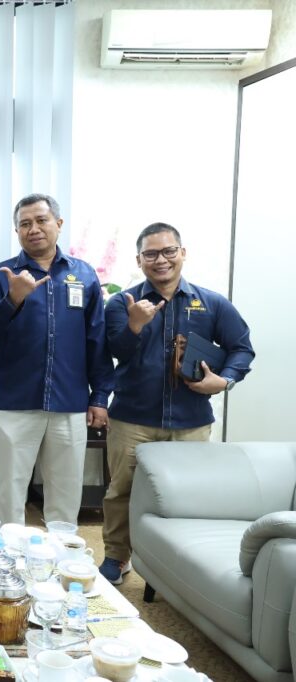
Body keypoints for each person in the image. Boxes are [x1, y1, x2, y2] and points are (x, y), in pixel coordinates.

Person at [99, 222, 254, 585]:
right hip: (132, 418)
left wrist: (224, 380)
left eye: (169, 251)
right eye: (151, 254)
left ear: (182, 253)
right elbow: (113, 352)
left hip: (191, 420)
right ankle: (116, 556)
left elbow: (242, 348)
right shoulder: (122, 303)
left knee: (186, 497)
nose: (161, 260)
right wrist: (134, 325)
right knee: (122, 490)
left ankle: (176, 563)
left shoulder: (212, 303)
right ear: (139, 260)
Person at [0, 193, 114, 527]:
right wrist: (13, 298)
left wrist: (99, 397)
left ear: (58, 223)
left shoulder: (84, 274)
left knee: (66, 492)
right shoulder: (1, 274)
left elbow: (97, 340)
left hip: (69, 401)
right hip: (15, 402)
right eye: (25, 224)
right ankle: (5, 556)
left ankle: (60, 554)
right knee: (10, 492)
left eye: (41, 220)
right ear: (17, 231)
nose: (34, 229)